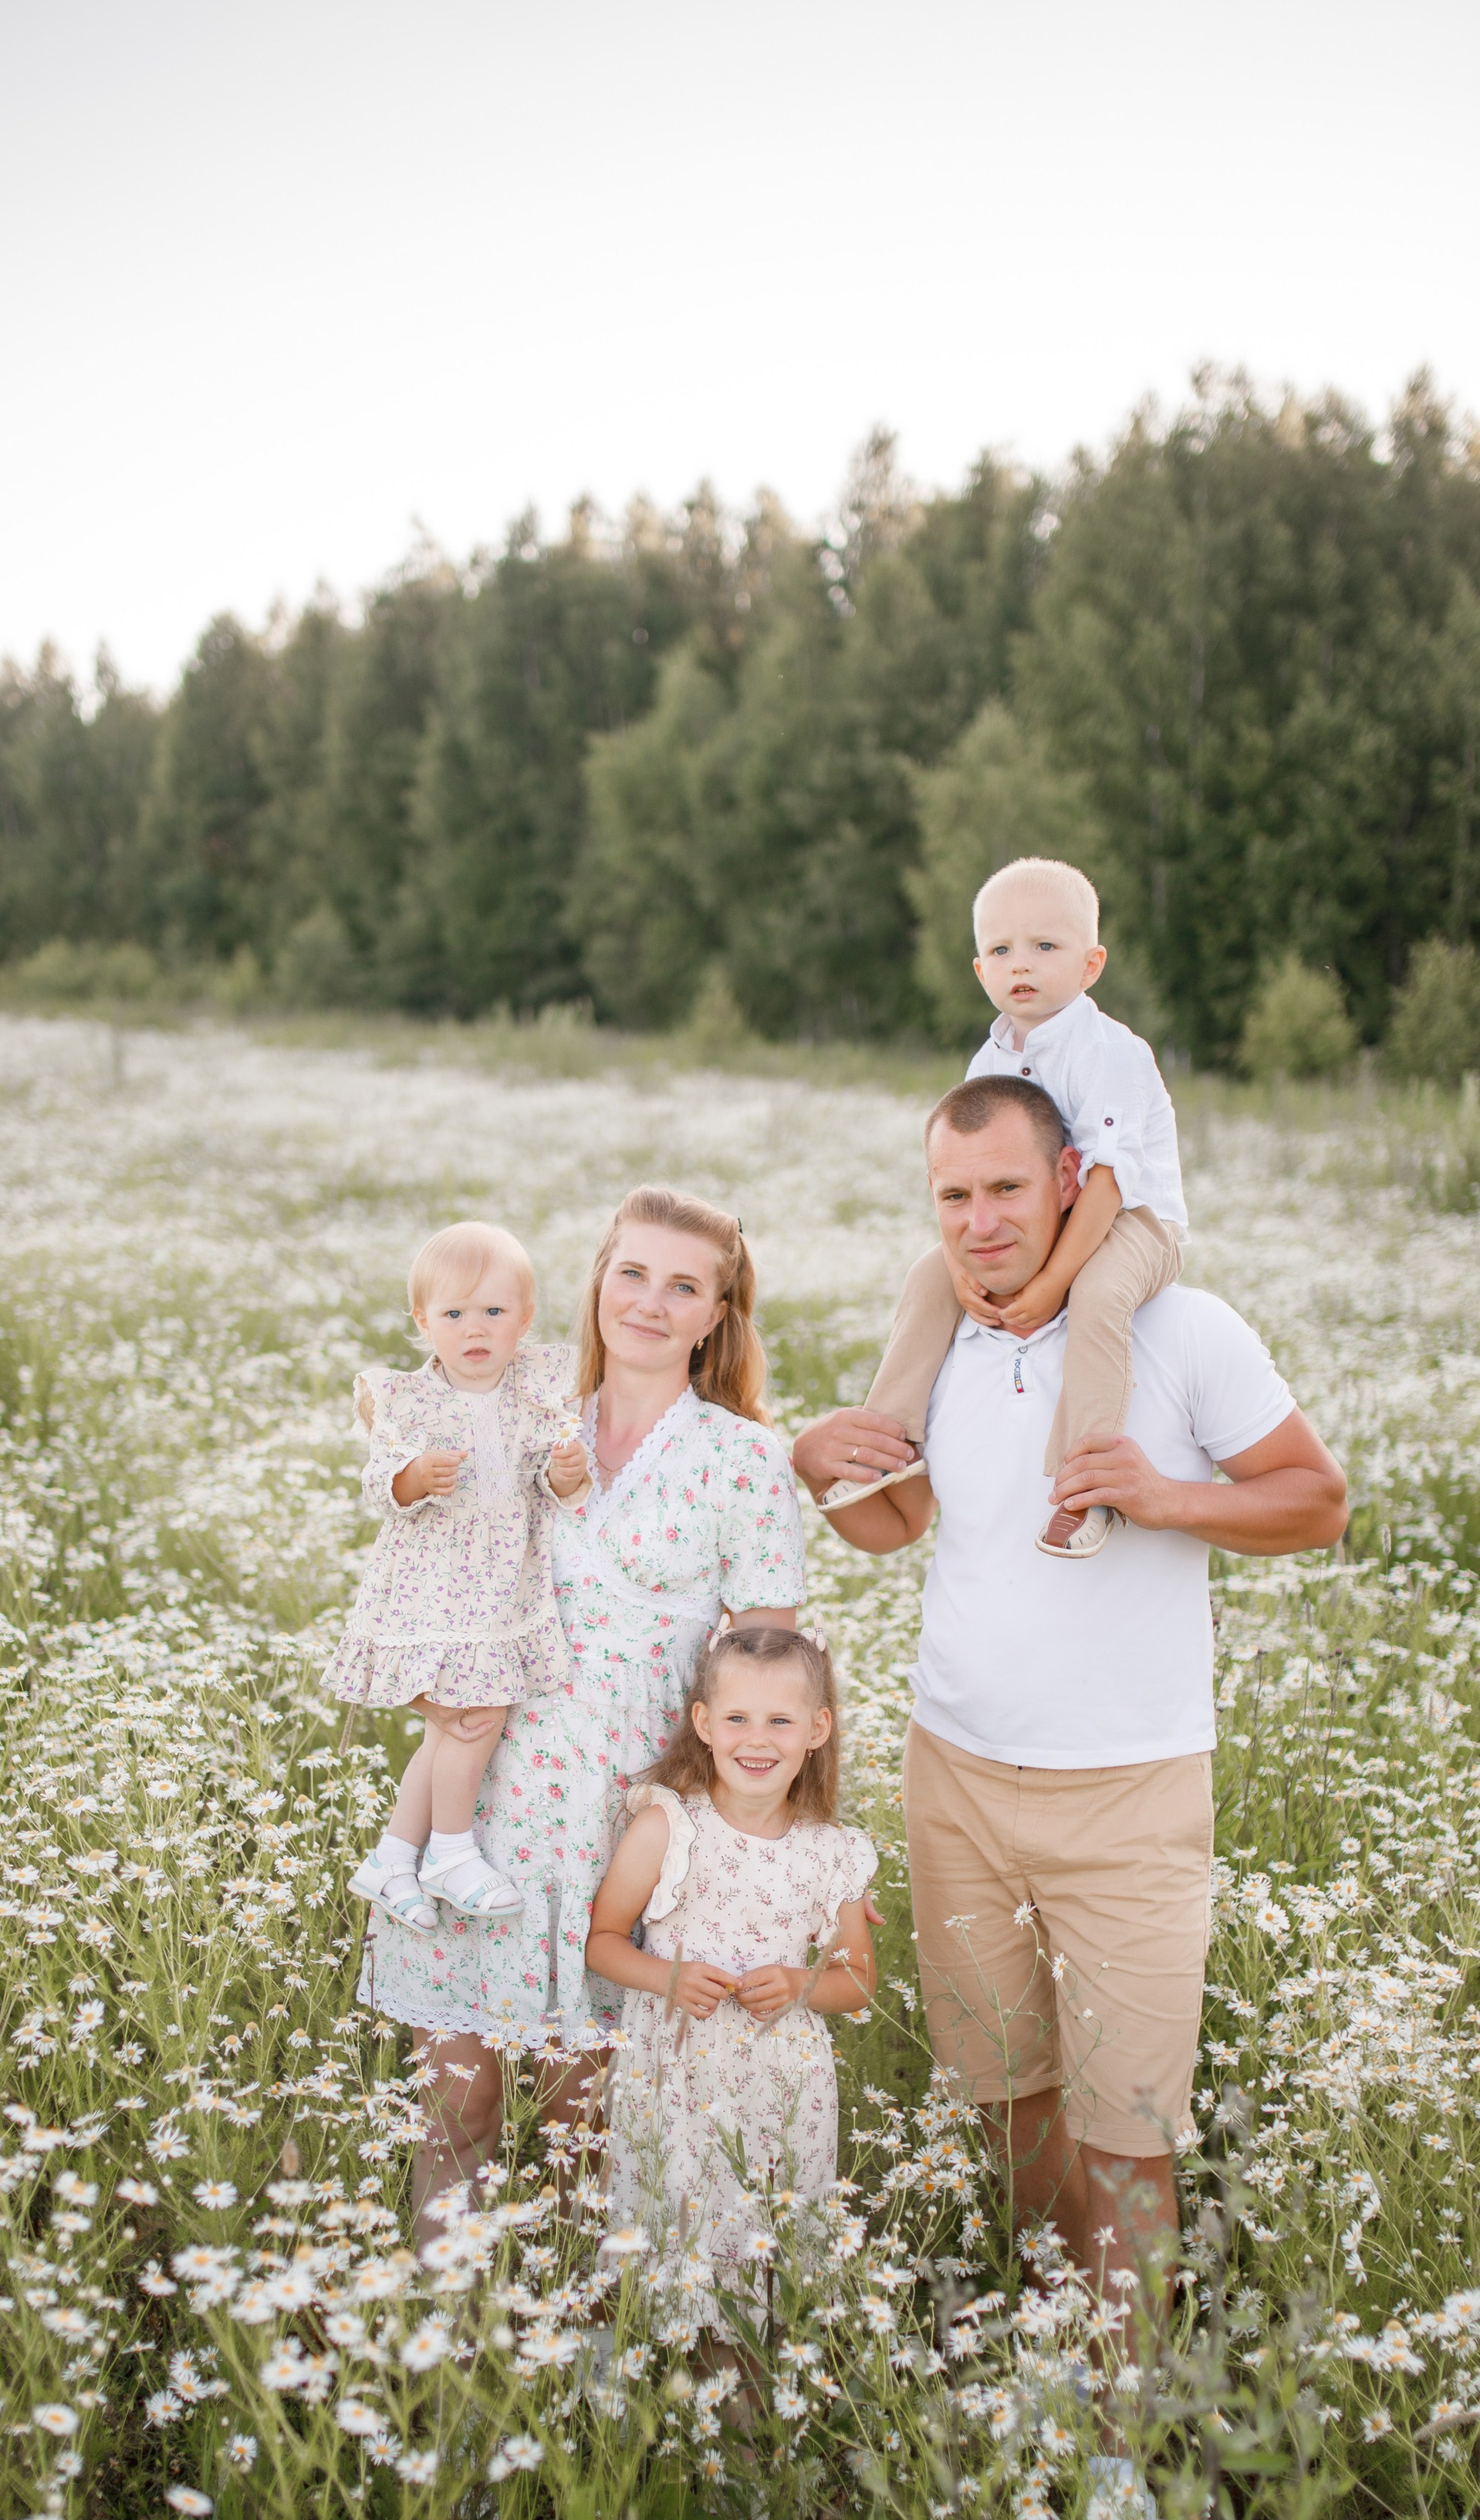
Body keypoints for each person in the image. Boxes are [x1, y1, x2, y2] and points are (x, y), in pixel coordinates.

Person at [792, 1074, 1347, 2326]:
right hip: (957, 1778)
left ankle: (1122, 2434)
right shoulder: (944, 1337)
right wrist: (811, 1463)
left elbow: (1319, 1500)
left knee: (1132, 2130)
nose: (979, 1220)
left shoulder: (1181, 1329)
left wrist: (1166, 1496)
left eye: (1003, 1189)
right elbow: (896, 1528)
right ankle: (1053, 2316)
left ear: (1066, 1184)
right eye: (952, 1194)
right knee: (1002, 2097)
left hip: (1134, 1794)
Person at [360, 1187, 808, 2241]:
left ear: (717, 1315)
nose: (649, 1302)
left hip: (630, 1831)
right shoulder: (515, 1407)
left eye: (683, 1286)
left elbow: (768, 1674)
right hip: (484, 1803)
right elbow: (406, 1519)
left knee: (588, 2125)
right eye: (631, 1273)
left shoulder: (742, 1458)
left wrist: (767, 1854)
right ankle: (446, 2365)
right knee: (456, 2106)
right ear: (598, 1283)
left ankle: (576, 2365)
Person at [824, 855, 1186, 1559]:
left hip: (1137, 1220)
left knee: (1101, 1292)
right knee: (927, 1275)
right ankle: (892, 1439)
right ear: (980, 970)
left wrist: (1052, 1284)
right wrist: (962, 1272)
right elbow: (959, 1176)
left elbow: (1108, 1184)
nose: (1022, 964)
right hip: (1039, 1221)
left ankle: (1089, 1485)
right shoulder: (987, 1061)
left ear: (1091, 964)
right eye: (1001, 949)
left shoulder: (1110, 1051)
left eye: (1046, 947)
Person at [586, 1627, 877, 2322]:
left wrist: (802, 1983)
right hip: (677, 2080)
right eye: (738, 1718)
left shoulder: (831, 1851)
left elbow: (858, 1980)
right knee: (669, 2221)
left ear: (817, 1729)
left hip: (783, 2088)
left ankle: (745, 2402)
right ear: (704, 1724)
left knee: (763, 2241)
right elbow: (602, 1942)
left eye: (780, 1720)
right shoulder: (668, 1827)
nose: (758, 1739)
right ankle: (636, 2383)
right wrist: (668, 1976)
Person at [332, 1221, 592, 1927]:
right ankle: (449, 1849)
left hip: (501, 1590)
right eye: (453, 1314)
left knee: (451, 1730)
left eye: (494, 1312)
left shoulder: (534, 1389)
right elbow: (377, 1483)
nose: (474, 1328)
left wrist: (565, 1475)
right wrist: (413, 1476)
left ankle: (391, 1858)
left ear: (524, 1319)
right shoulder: (410, 1400)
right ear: (424, 1322)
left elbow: (552, 1479)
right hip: (431, 1592)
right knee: (474, 1719)